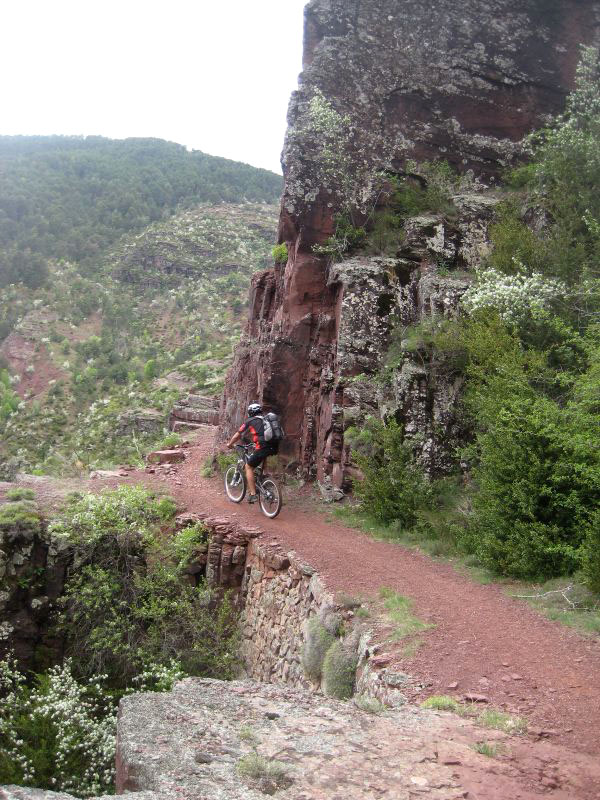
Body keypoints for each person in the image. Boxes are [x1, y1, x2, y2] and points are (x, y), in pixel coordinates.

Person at [226, 402, 278, 504]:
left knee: (248, 467)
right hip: (274, 447)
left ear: (250, 412)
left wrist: (230, 444)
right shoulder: (266, 420)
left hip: (262, 447)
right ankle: (264, 478)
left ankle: (253, 494)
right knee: (262, 455)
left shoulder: (250, 420)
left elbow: (238, 435)